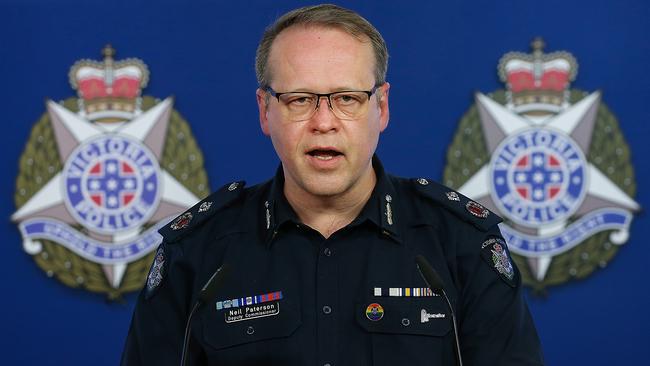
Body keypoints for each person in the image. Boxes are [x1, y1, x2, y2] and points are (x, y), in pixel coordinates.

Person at [121, 4, 544, 365]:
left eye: (347, 98)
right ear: (265, 111)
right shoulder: (197, 251)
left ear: (381, 107)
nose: (324, 123)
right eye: (299, 99)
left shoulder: (460, 243)